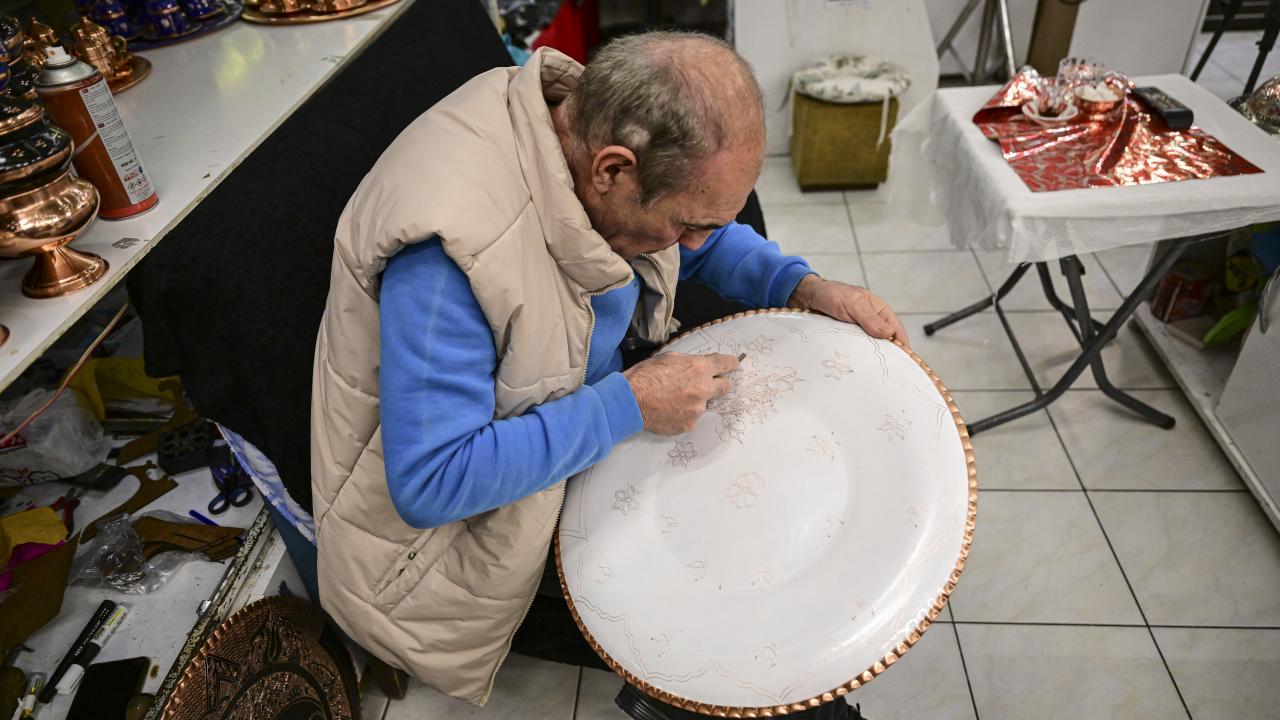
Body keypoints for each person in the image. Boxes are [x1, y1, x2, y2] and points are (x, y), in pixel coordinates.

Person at [310, 31, 905, 719]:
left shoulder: (583, 123)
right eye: (684, 224)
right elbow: (432, 483)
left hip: (559, 408)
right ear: (613, 171)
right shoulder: (448, 258)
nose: (694, 243)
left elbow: (704, 234)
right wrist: (626, 406)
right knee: (732, 624)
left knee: (778, 501)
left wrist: (797, 284)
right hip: (444, 543)